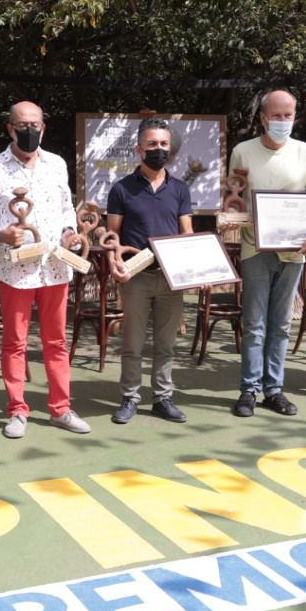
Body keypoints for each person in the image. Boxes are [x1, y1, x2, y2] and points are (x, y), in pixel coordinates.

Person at [0, 101, 91, 438]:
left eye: (35, 125)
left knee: (56, 342)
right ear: (10, 128)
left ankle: (61, 408)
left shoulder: (56, 164)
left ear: (44, 127)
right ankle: (17, 410)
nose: (30, 130)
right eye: (22, 125)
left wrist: (70, 232)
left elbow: (67, 208)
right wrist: (1, 234)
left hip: (55, 266)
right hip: (16, 270)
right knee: (15, 343)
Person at [230, 89, 306, 418]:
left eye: (288, 115)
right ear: (263, 118)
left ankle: (274, 390)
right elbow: (233, 198)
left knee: (281, 324)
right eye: (276, 115)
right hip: (255, 248)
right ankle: (249, 390)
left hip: (294, 254)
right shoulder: (242, 152)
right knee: (254, 324)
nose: (283, 121)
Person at [106, 118, 194, 425]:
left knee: (166, 343)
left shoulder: (180, 188)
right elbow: (112, 235)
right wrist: (116, 263)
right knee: (133, 342)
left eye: (164, 145)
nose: (159, 150)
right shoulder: (121, 189)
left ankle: (162, 397)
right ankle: (130, 397)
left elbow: (187, 232)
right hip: (136, 278)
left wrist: (196, 268)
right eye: (152, 145)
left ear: (171, 149)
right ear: (139, 149)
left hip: (171, 278)